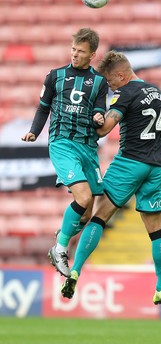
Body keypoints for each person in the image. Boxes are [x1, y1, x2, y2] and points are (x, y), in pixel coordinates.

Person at [61, 50, 161, 305]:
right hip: (154, 167)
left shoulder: (125, 93)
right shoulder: (158, 92)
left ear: (121, 76)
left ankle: (75, 270)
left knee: (99, 217)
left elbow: (104, 129)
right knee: (157, 231)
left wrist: (95, 117)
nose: (111, 89)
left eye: (111, 83)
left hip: (128, 164)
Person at [22, 28, 108, 278]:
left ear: (92, 54)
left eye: (81, 52)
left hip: (88, 147)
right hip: (62, 143)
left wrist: (98, 115)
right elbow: (43, 108)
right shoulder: (55, 76)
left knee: (88, 207)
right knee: (82, 198)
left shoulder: (99, 82)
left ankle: (63, 235)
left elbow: (99, 109)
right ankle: (60, 249)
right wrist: (34, 132)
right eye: (73, 49)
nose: (75, 55)